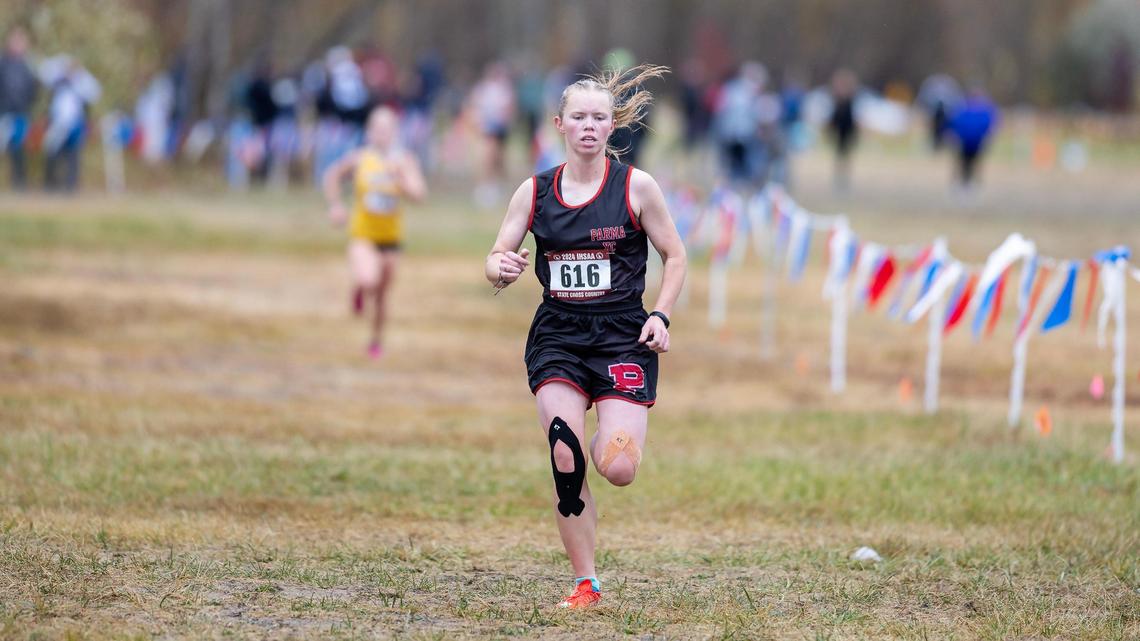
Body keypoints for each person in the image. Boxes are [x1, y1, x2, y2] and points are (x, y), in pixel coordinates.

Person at [484, 64, 686, 609]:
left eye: (600, 117)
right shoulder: (535, 191)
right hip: (559, 337)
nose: (590, 126)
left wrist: (661, 315)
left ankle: (611, 437)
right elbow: (496, 253)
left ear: (612, 124)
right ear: (560, 124)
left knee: (617, 467)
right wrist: (500, 268)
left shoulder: (635, 187)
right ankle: (585, 582)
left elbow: (675, 256)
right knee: (563, 450)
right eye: (579, 117)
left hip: (623, 338)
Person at [323, 106, 427, 358]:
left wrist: (400, 179)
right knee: (369, 278)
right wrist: (336, 206)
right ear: (369, 131)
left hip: (391, 239)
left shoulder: (404, 160)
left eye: (387, 129)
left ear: (395, 132)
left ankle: (375, 341)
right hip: (363, 235)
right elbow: (332, 175)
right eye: (377, 129)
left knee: (381, 295)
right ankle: (360, 286)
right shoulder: (360, 158)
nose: (382, 134)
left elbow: (419, 195)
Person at [0, 27, 39, 190]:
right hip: (4, 112)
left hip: (21, 113)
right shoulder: (3, 63)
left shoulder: (27, 65)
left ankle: (19, 184)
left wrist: (27, 105)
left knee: (19, 150)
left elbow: (34, 88)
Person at [949, 86, 998, 193]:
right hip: (964, 142)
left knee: (975, 163)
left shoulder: (984, 109)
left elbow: (990, 125)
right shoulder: (962, 107)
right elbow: (955, 123)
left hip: (977, 142)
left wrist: (989, 136)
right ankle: (961, 184)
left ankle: (973, 184)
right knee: (963, 163)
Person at [827, 68, 859, 193]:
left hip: (847, 130)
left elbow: (851, 118)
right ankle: (839, 178)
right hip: (840, 130)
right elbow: (834, 118)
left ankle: (843, 179)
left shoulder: (850, 100)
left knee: (845, 156)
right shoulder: (838, 100)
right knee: (840, 156)